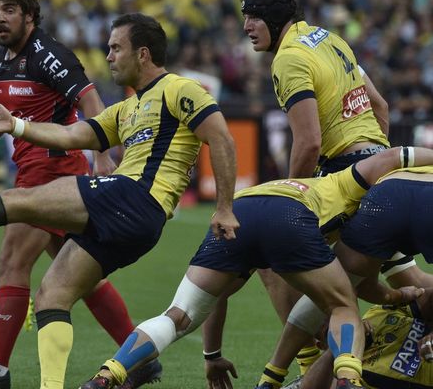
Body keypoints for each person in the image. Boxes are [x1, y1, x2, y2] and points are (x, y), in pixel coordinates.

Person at [0, 12, 238, 389]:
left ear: (142, 54)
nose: (107, 56)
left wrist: (223, 207)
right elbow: (72, 136)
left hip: (135, 197)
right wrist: (16, 126)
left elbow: (220, 138)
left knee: (19, 203)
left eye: (115, 48)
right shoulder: (126, 109)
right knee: (53, 294)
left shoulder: (179, 88)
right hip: (135, 219)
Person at [0, 0, 156, 389]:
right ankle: (138, 354)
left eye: (9, 11)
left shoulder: (49, 54)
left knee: (11, 261)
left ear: (30, 15)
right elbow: (7, 120)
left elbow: (90, 100)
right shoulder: (2, 59)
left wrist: (102, 151)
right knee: (80, 275)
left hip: (53, 169)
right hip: (34, 169)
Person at [77, 146, 433, 389]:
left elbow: (218, 298)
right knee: (341, 305)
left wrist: (212, 355)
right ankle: (348, 381)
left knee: (178, 315)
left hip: (241, 209)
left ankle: (109, 373)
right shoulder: (348, 185)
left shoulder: (320, 185)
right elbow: (394, 156)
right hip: (291, 214)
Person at [239, 0, 391, 381]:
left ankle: (307, 367)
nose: (246, 27)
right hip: (382, 172)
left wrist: (294, 205)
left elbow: (308, 143)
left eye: (253, 17)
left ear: (274, 20)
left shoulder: (288, 59)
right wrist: (380, 164)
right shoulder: (329, 38)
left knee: (271, 255)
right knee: (398, 280)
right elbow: (380, 107)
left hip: (345, 172)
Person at [273, 161, 433, 388]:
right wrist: (336, 353)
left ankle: (271, 378)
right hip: (387, 191)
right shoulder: (354, 352)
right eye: (325, 336)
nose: (322, 338)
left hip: (386, 191)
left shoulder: (368, 314)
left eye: (323, 333)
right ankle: (271, 378)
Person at [288, 265, 433, 389]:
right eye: (329, 330)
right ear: (322, 345)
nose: (339, 326)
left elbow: (428, 297)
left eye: (337, 314)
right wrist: (336, 349)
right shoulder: (350, 376)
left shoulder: (380, 314)